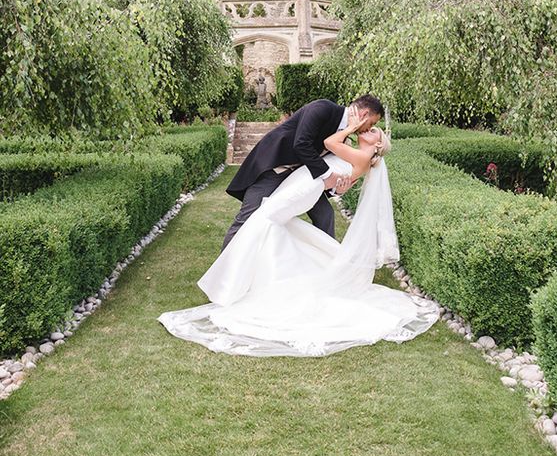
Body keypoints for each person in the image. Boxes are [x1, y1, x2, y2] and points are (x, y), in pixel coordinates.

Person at [158, 110, 439, 357]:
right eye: (371, 125)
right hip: (306, 178)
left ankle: (233, 278)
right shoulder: (357, 149)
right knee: (269, 220)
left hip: (308, 184)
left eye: (373, 130)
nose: (368, 130)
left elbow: (330, 146)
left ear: (377, 145)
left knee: (267, 218)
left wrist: (350, 132)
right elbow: (337, 177)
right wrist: (337, 183)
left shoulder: (362, 155)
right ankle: (247, 274)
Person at [222, 95, 383, 250]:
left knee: (325, 215)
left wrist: (336, 188)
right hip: (276, 167)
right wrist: (328, 176)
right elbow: (301, 144)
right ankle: (222, 270)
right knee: (247, 216)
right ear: (364, 114)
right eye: (371, 123)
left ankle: (329, 265)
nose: (368, 129)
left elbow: (330, 163)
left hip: (303, 177)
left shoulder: (345, 133)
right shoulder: (322, 108)